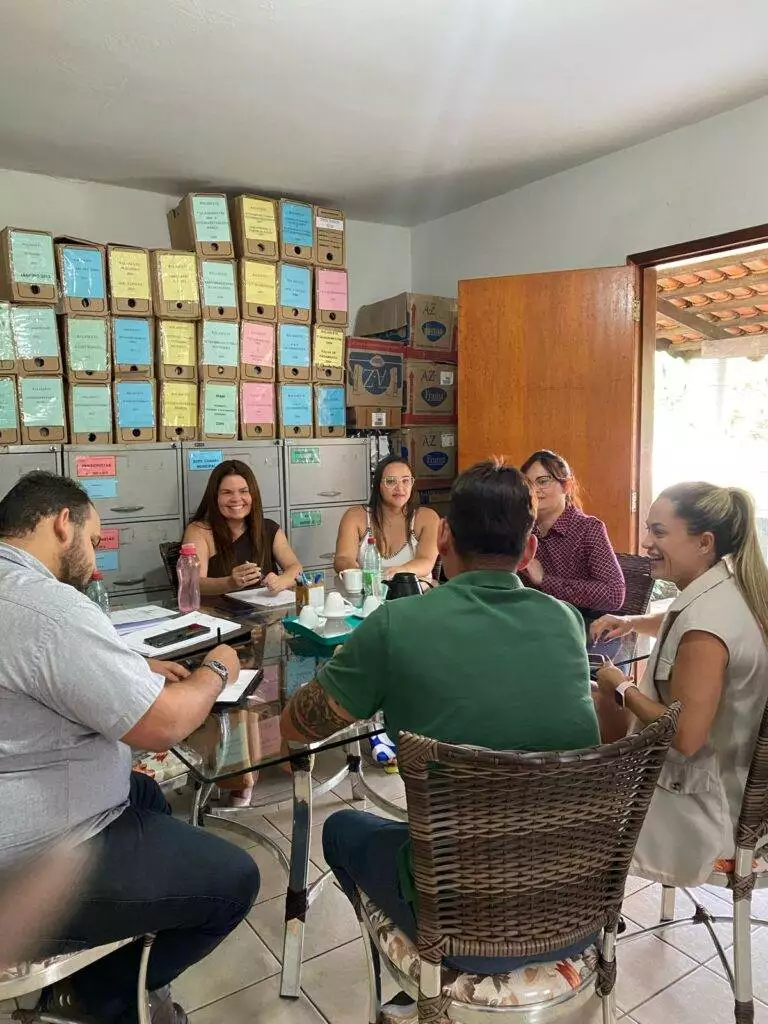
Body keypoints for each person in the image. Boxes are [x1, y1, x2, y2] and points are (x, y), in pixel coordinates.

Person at [282, 459, 600, 1019]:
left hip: (459, 922)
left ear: (445, 537)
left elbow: (296, 728)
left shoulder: (397, 624)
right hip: (576, 907)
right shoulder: (566, 622)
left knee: (342, 827)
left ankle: (408, 991)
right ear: (529, 553)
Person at [0, 472, 261, 1024]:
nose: (95, 563)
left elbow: (29, 673)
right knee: (237, 879)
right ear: (61, 522)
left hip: (35, 804)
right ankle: (96, 998)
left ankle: (122, 952)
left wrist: (130, 671)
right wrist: (217, 669)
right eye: (93, 541)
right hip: (32, 856)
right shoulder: (47, 607)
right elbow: (164, 727)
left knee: (149, 796)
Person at [591, 481, 768, 887]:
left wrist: (621, 687)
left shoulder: (706, 630)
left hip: (703, 816)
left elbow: (685, 736)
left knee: (574, 752)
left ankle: (583, 918)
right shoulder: (729, 589)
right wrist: (633, 623)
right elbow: (676, 620)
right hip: (733, 790)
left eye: (659, 532)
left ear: (703, 542)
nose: (645, 541)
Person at [520, 449, 625, 630]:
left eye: (543, 481)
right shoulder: (523, 530)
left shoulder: (588, 528)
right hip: (537, 624)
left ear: (566, 486)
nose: (535, 490)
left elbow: (614, 594)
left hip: (585, 628)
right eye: (528, 484)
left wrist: (545, 580)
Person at [183, 459, 301, 597]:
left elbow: (295, 568)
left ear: (253, 495)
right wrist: (230, 583)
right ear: (215, 497)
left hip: (265, 614)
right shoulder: (199, 530)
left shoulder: (269, 529)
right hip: (216, 613)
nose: (236, 499)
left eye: (243, 491)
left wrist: (281, 581)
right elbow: (193, 583)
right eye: (227, 492)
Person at [334, 454, 439, 582]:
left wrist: (397, 572)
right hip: (369, 595)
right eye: (390, 481)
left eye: (405, 481)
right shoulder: (355, 516)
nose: (400, 488)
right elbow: (343, 558)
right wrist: (356, 574)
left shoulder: (427, 517)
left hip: (416, 596)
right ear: (378, 485)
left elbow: (426, 561)